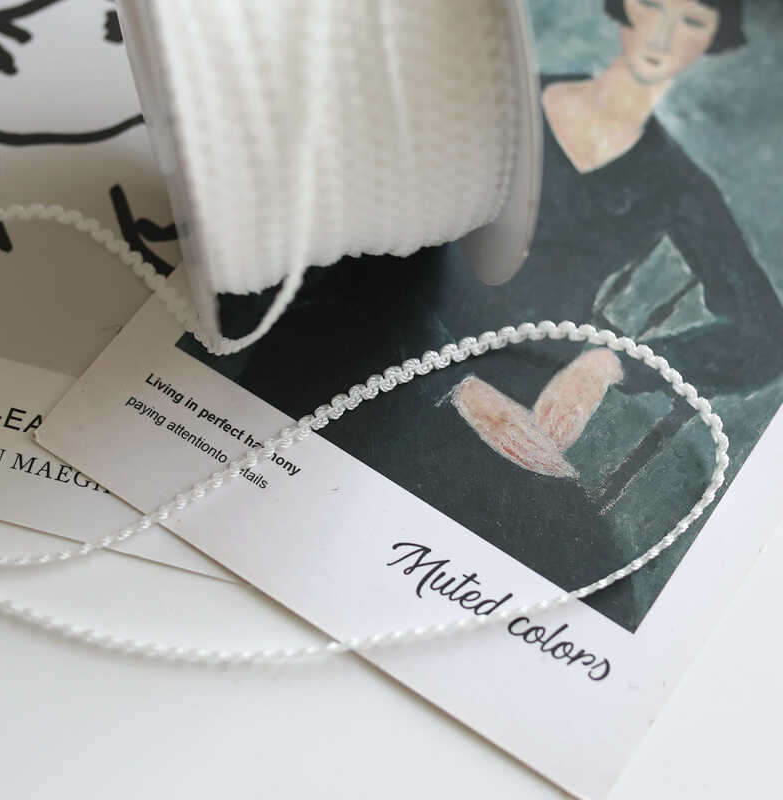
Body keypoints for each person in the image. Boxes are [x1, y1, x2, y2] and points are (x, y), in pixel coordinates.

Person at [184, 0, 783, 631]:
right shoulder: (504, 102)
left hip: (522, 383)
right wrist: (457, 384)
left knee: (592, 594)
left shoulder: (677, 182)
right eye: (652, 5)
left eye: (691, 22)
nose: (662, 35)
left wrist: (605, 363)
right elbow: (371, 232)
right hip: (389, 328)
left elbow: (766, 336)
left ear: (713, 42)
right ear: (621, 9)